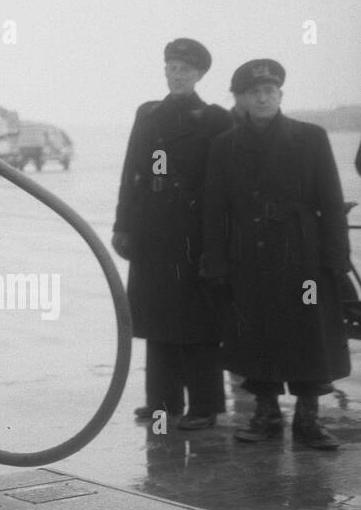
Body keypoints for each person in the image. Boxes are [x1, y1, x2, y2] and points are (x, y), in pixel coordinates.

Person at [202, 59, 351, 449]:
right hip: (249, 257)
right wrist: (214, 262)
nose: (263, 97)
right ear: (240, 100)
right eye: (254, 92)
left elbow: (332, 203)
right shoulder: (224, 146)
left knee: (309, 336)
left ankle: (308, 420)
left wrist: (336, 257)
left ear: (281, 95)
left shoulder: (311, 137)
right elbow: (215, 210)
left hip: (303, 256)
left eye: (270, 91)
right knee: (255, 335)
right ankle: (265, 416)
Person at [112, 38, 232, 429]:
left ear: (199, 75)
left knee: (198, 320)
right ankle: (162, 404)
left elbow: (222, 183)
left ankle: (205, 405)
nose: (176, 76)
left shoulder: (215, 119)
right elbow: (133, 173)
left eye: (185, 70)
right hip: (153, 228)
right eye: (171, 69)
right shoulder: (148, 115)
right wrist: (123, 225)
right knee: (157, 316)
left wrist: (219, 239)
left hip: (195, 228)